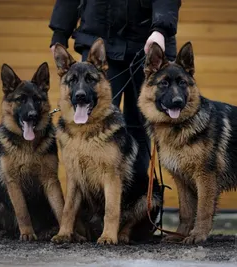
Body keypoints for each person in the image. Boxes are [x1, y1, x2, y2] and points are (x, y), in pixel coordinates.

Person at [48, 0, 181, 184]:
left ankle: (136, 196)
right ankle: (91, 202)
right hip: (99, 38)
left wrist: (161, 29)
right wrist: (60, 31)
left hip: (147, 43)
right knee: (90, 123)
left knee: (140, 127)